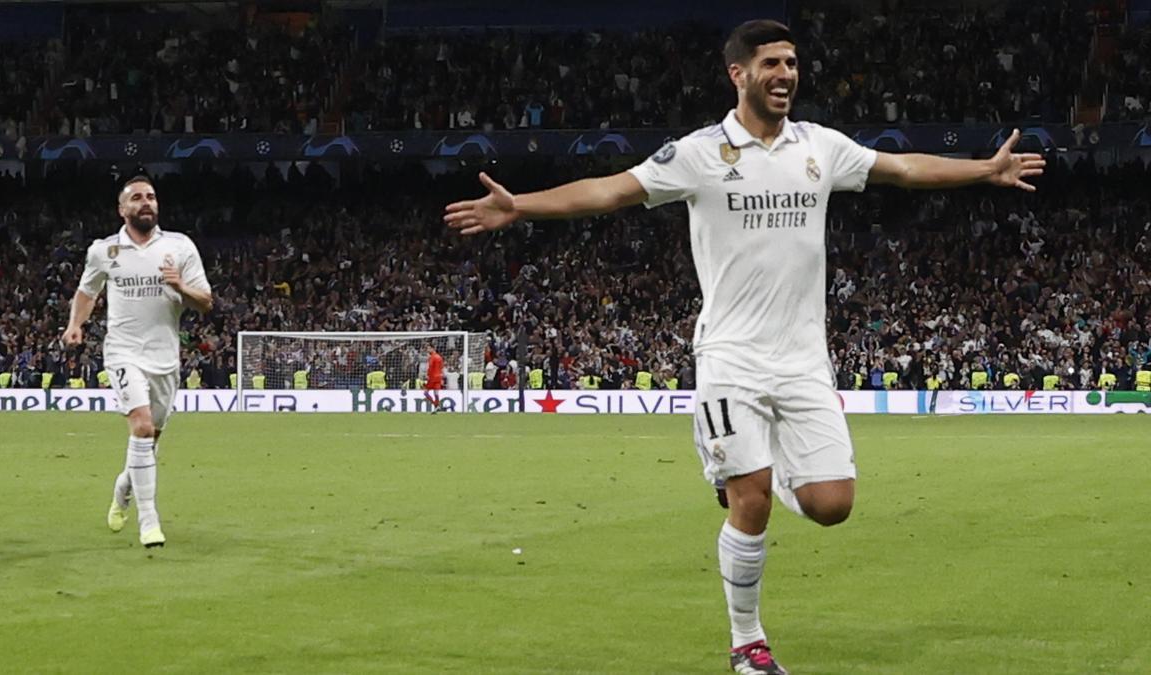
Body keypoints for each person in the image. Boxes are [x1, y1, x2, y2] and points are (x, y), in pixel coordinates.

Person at [445, 19, 1043, 674]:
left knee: (831, 505)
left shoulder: (821, 147)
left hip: (805, 360)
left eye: (792, 63)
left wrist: (984, 168)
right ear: (738, 74)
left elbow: (902, 168)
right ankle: (748, 642)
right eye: (772, 64)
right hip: (731, 355)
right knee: (750, 494)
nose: (786, 74)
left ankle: (744, 472)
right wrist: (520, 206)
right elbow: (611, 189)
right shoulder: (700, 154)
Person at [61, 175, 213, 548]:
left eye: (151, 197)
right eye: (137, 198)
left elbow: (206, 301)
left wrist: (179, 287)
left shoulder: (179, 246)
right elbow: (87, 292)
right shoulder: (104, 251)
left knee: (151, 436)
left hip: (165, 357)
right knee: (141, 427)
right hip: (123, 351)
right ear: (122, 209)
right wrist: (75, 325)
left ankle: (123, 488)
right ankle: (149, 521)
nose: (146, 203)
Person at [424, 342, 444, 413]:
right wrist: (442, 377)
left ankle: (436, 405)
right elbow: (442, 367)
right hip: (439, 377)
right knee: (436, 393)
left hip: (432, 377)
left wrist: (427, 375)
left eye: (429, 348)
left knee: (425, 393)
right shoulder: (439, 357)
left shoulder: (432, 357)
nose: (427, 350)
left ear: (433, 349)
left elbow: (430, 367)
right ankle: (436, 408)